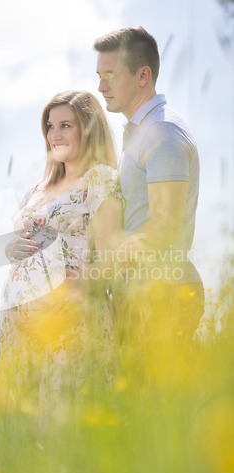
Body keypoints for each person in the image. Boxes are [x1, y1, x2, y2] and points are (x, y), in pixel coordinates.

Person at [0, 90, 124, 468]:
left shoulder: (101, 180)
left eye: (65, 125)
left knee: (63, 420)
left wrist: (80, 288)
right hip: (19, 326)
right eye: (50, 126)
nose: (55, 135)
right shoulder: (37, 189)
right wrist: (11, 250)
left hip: (70, 317)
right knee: (21, 415)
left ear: (88, 130)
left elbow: (112, 256)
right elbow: (21, 246)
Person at [93, 27, 205, 345]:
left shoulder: (162, 131)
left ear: (143, 75)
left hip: (163, 296)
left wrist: (98, 271)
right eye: (99, 75)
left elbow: (165, 225)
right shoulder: (141, 133)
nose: (100, 86)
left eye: (110, 75)